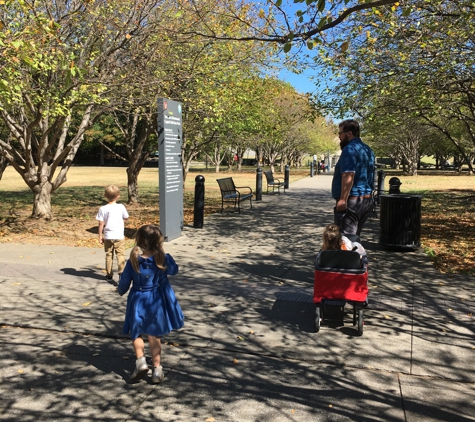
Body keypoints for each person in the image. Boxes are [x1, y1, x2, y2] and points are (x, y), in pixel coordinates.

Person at [117, 224, 185, 383]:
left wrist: (121, 290)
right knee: (154, 335)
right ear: (159, 242)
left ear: (139, 242)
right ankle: (157, 370)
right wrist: (164, 254)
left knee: (137, 332)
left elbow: (125, 281)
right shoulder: (163, 259)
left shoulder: (134, 260)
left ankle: (140, 362)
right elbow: (174, 270)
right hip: (156, 301)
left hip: (138, 299)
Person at [332, 119, 375, 236]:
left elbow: (348, 175)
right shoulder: (368, 150)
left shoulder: (349, 149)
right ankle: (356, 254)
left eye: (340, 133)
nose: (339, 137)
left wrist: (342, 199)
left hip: (352, 201)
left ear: (349, 133)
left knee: (346, 239)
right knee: (355, 238)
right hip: (365, 201)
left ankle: (349, 254)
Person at [96, 185, 129, 281]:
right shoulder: (121, 207)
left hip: (108, 236)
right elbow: (126, 217)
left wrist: (100, 236)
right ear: (118, 196)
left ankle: (109, 274)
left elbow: (101, 223)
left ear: (105, 195)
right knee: (120, 255)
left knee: (109, 255)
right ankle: (121, 273)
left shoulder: (103, 208)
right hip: (119, 235)